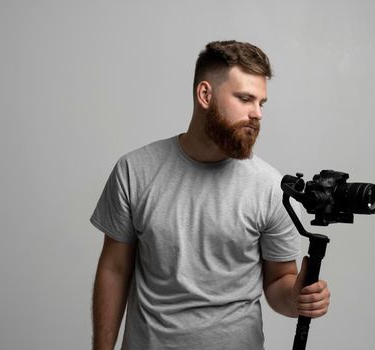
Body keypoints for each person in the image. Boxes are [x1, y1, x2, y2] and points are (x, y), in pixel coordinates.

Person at [90, 40, 330, 350]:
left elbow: (278, 281)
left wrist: (297, 297)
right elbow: (114, 269)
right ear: (205, 94)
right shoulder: (135, 171)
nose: (257, 114)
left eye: (261, 103)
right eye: (245, 99)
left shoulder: (273, 188)